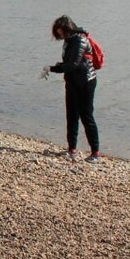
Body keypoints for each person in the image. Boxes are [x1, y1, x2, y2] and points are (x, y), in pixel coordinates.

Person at [46, 15, 102, 163]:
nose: (59, 36)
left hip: (85, 83)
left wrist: (52, 68)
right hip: (72, 82)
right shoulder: (69, 40)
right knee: (71, 116)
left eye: (60, 32)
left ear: (67, 29)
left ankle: (95, 152)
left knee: (86, 116)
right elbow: (69, 63)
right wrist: (57, 67)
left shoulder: (80, 40)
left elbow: (73, 64)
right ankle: (72, 150)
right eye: (58, 33)